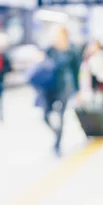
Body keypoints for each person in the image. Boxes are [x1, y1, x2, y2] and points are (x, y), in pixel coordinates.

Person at [44, 25, 80, 156]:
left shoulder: (71, 50)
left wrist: (78, 90)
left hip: (65, 86)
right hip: (50, 86)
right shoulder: (49, 49)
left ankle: (57, 143)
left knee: (61, 116)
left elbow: (76, 71)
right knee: (45, 115)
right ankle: (56, 133)